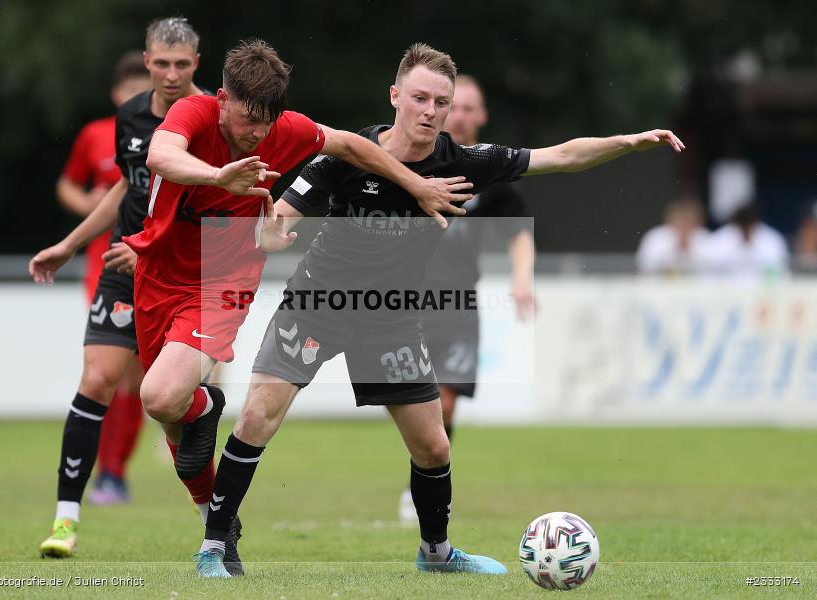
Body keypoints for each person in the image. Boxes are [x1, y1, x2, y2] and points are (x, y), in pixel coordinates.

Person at [198, 43, 684, 578]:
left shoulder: (460, 160)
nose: (430, 111)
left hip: (390, 320)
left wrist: (629, 141)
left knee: (433, 445)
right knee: (256, 418)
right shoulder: (348, 154)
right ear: (395, 96)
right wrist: (273, 231)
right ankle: (214, 548)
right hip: (318, 305)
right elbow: (283, 217)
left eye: (441, 101)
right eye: (420, 98)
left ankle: (437, 554)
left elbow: (559, 156)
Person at [120, 38, 471, 578]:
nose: (258, 132)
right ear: (222, 99)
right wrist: (219, 177)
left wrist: (415, 185)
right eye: (247, 117)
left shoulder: (289, 131)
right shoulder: (193, 112)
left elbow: (354, 147)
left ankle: (213, 534)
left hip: (223, 276)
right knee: (168, 409)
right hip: (157, 272)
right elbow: (160, 155)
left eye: (268, 120)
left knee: (162, 394)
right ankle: (204, 434)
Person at [29, 18, 243, 565]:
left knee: (169, 410)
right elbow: (129, 188)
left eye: (182, 64)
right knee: (97, 379)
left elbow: (212, 206)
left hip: (179, 276)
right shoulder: (130, 117)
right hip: (125, 268)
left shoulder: (215, 120)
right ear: (146, 62)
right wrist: (72, 244)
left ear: (198, 63)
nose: (171, 74)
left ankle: (214, 525)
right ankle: (66, 520)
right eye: (161, 63)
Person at [399, 74, 537, 524]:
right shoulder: (410, 159)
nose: (457, 115)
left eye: (467, 108)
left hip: (457, 307)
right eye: (452, 106)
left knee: (445, 401)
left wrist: (522, 279)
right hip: (402, 303)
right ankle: (426, 471)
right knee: (409, 401)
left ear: (481, 117)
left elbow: (519, 235)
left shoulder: (491, 173)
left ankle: (419, 484)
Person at [56, 51, 150, 507]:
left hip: (153, 265)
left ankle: (116, 470)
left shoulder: (170, 134)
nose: (137, 98)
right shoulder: (97, 135)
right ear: (116, 94)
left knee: (136, 379)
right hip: (106, 266)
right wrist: (86, 209)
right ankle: (105, 475)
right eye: (130, 90)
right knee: (103, 372)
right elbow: (68, 184)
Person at [698, 203, 789, 282]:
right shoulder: (721, 240)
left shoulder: (772, 241)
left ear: (755, 223)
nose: (746, 231)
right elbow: (709, 270)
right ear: (736, 224)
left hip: (761, 292)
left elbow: (780, 272)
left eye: (749, 227)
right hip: (727, 292)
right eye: (742, 227)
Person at [636, 196, 709, 276]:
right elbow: (645, 265)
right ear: (669, 221)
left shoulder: (704, 237)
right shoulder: (655, 237)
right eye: (679, 221)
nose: (683, 226)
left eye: (688, 222)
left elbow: (711, 267)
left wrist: (687, 247)